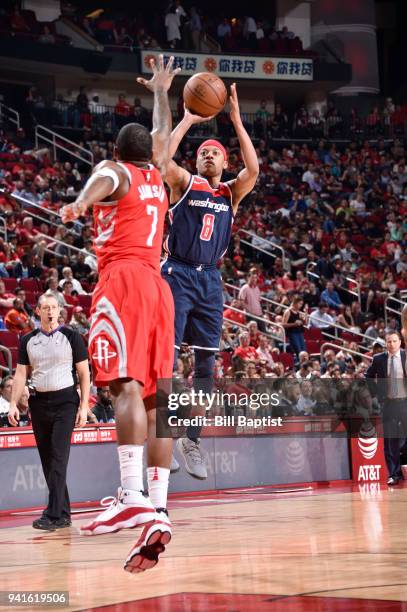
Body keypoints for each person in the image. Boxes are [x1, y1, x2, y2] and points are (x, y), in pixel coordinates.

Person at [60, 55, 180, 573]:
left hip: (123, 281)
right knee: (157, 400)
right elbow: (160, 133)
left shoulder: (115, 169)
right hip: (160, 286)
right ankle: (157, 506)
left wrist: (81, 204)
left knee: (124, 386)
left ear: (115, 152)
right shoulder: (157, 175)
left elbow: (101, 181)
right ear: (147, 154)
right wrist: (160, 92)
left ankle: (130, 494)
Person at [161, 83, 259, 478]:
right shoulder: (184, 183)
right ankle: (163, 439)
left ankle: (192, 439)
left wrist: (236, 120)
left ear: (223, 161)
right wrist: (187, 119)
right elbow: (161, 158)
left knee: (206, 365)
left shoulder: (231, 193)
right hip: (176, 273)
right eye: (202, 152)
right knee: (166, 361)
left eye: (213, 153)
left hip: (210, 281)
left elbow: (253, 169)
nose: (206, 155)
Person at [8, 295, 89, 529]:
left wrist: (84, 407)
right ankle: (63, 513)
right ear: (38, 311)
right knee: (47, 461)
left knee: (58, 458)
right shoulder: (28, 340)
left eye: (54, 307)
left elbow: (84, 373)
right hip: (39, 403)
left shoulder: (72, 337)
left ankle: (52, 514)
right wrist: (14, 403)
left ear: (60, 310)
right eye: (46, 308)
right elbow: (21, 373)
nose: (51, 312)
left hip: (66, 402)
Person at [366, 331, 407, 485]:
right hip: (389, 403)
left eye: (394, 341)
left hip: (405, 402)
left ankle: (403, 460)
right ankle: (394, 474)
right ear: (386, 343)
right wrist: (376, 393)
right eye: (389, 341)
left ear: (400, 342)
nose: (392, 344)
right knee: (390, 441)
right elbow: (368, 376)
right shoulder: (379, 359)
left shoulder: (406, 356)